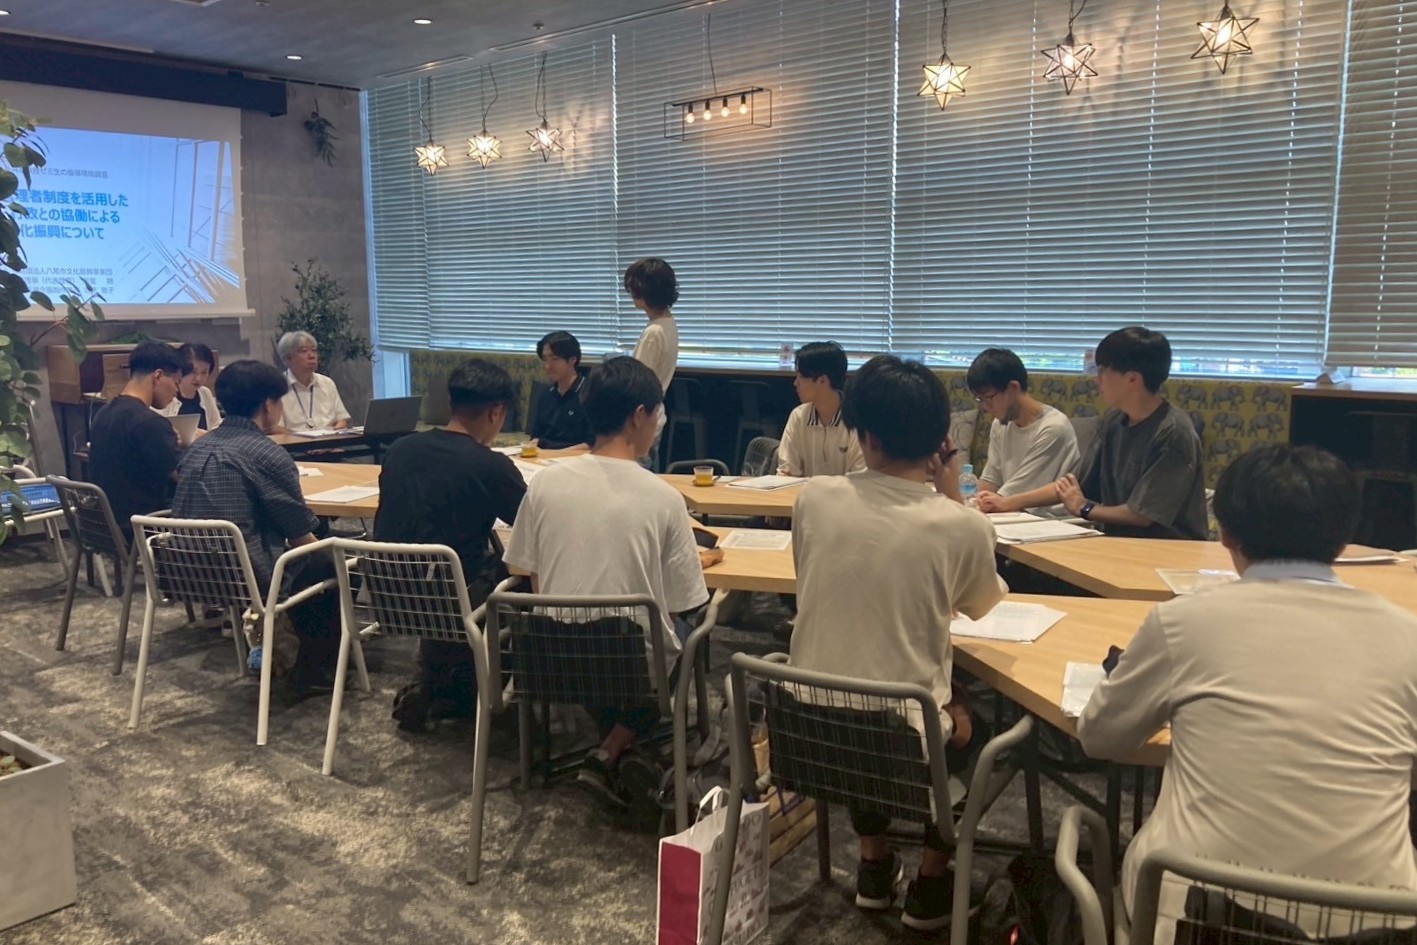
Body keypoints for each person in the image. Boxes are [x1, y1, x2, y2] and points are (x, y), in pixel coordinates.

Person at [1078, 444, 1417, 943]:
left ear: (1225, 533)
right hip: (1378, 923)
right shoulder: (1407, 636)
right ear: (1347, 537)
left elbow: (1100, 738)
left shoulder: (1183, 622)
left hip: (1200, 916)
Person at [789, 355, 1005, 931]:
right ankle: (932, 885)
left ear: (864, 435)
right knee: (974, 721)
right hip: (899, 738)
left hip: (807, 728)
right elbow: (981, 604)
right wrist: (949, 492)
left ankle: (874, 865)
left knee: (867, 696)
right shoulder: (960, 525)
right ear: (940, 442)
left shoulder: (813, 498)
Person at [504, 356, 708, 802]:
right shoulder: (664, 498)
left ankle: (613, 747)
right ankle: (614, 749)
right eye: (657, 413)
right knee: (691, 627)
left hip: (549, 657)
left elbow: (526, 570)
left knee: (610, 641)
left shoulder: (544, 484)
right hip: (627, 662)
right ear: (639, 415)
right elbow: (682, 602)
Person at [374, 359, 527, 731]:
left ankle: (439, 685)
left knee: (458, 568)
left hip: (388, 595)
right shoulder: (490, 466)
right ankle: (505, 689)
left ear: (451, 402)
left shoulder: (399, 449)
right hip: (455, 599)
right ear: (496, 412)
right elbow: (534, 528)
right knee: (518, 571)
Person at [172, 360, 340, 695]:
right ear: (268, 405)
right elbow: (300, 534)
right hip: (244, 574)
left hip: (184, 570)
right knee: (329, 561)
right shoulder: (266, 454)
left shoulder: (196, 448)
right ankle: (314, 668)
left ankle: (277, 648)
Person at [999, 327, 1206, 539]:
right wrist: (1007, 502)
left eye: (1103, 371)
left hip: (1168, 546)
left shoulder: (1173, 432)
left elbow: (1142, 515)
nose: (1096, 380)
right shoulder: (1113, 421)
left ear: (1132, 379)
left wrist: (1085, 508)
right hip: (1116, 540)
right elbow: (1073, 486)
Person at [967, 348, 1079, 515]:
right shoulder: (1000, 423)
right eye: (980, 399)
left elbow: (1016, 491)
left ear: (1013, 388)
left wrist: (994, 503)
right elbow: (991, 478)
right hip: (1012, 512)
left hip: (1048, 519)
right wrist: (972, 502)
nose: (985, 406)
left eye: (988, 397)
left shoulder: (1053, 427)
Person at [88, 341, 183, 536]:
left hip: (107, 527)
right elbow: (183, 477)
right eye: (176, 383)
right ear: (158, 376)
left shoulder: (103, 412)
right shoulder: (150, 423)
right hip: (145, 527)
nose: (176, 392)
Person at [776, 341, 865, 478]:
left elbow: (860, 479)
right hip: (804, 492)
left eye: (801, 376)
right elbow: (787, 471)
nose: (795, 383)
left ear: (822, 380)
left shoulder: (856, 420)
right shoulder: (799, 416)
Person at [624, 258, 680, 468]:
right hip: (654, 414)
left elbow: (636, 384)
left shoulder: (653, 332)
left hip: (641, 418)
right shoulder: (668, 323)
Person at [274, 330, 350, 432]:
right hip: (294, 441)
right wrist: (302, 439)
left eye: (314, 350)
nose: (312, 356)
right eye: (304, 351)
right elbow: (276, 428)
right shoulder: (276, 387)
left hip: (329, 440)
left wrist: (334, 434)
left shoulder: (327, 383)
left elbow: (341, 419)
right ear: (288, 359)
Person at [530, 331, 593, 451]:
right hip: (544, 457)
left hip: (576, 458)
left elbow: (591, 443)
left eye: (555, 359)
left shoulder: (590, 394)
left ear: (572, 360)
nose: (548, 366)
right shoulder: (546, 395)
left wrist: (556, 455)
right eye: (545, 359)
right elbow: (536, 436)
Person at [155, 342, 222, 433]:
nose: (199, 378)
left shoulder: (205, 392)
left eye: (204, 372)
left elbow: (216, 424)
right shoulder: (167, 392)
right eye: (194, 372)